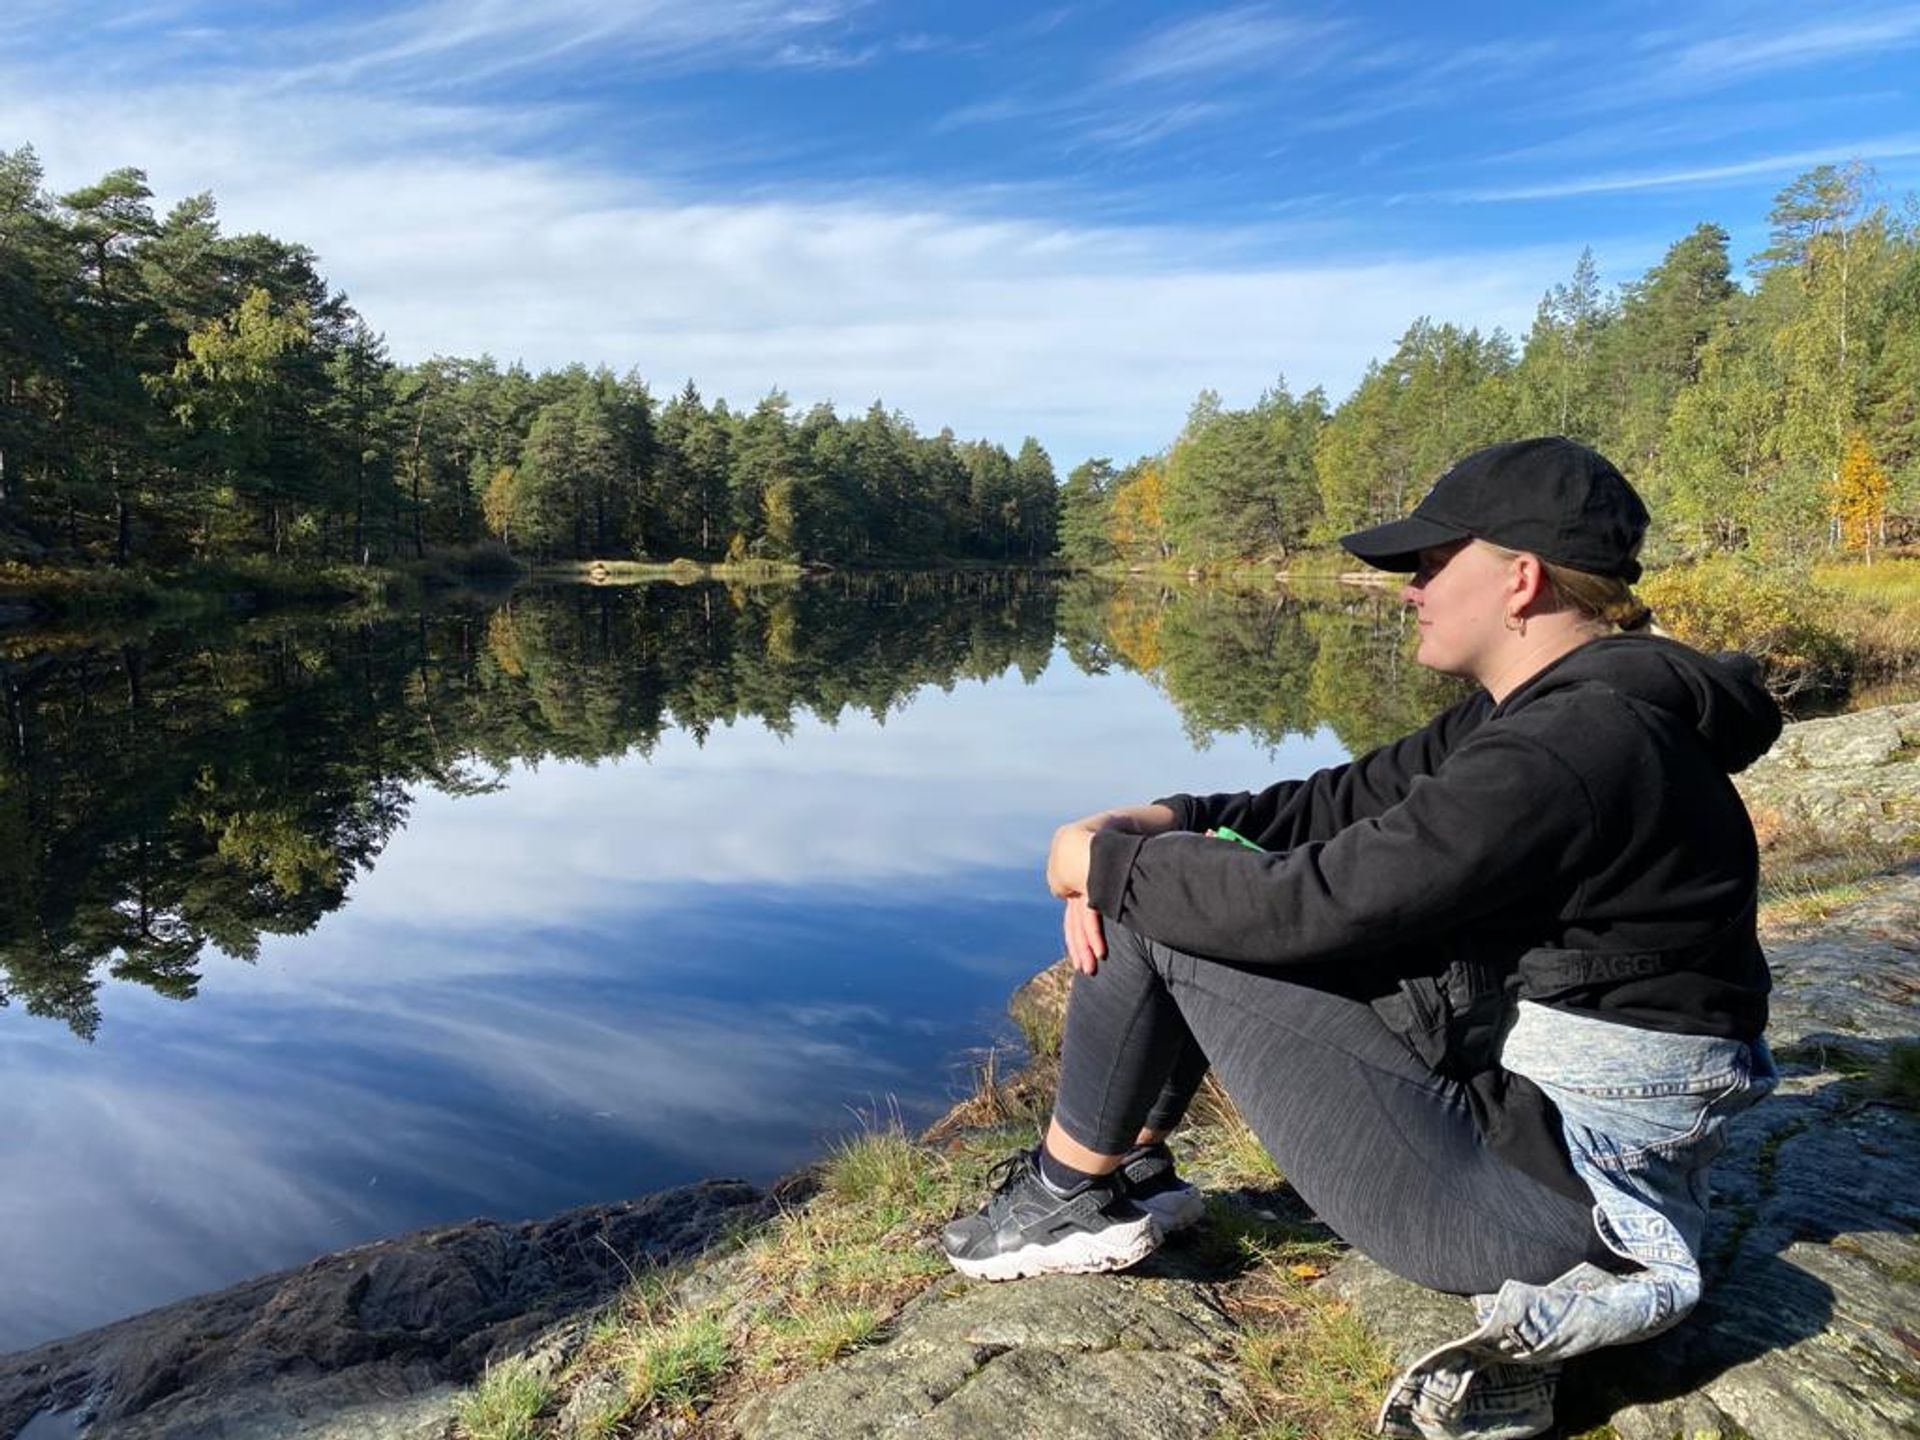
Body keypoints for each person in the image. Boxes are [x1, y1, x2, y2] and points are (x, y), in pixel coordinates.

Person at [939, 437, 1782, 1440]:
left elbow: (1318, 903)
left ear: (1520, 577)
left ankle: (1065, 1193)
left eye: (1430, 563)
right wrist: (1151, 821)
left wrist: (1113, 870)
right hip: (1547, 1147)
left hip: (1544, 1211)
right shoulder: (1561, 713)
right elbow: (1332, 805)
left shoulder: (1576, 745)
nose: (1408, 588)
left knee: (1155, 911)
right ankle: (1125, 1173)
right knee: (1173, 880)